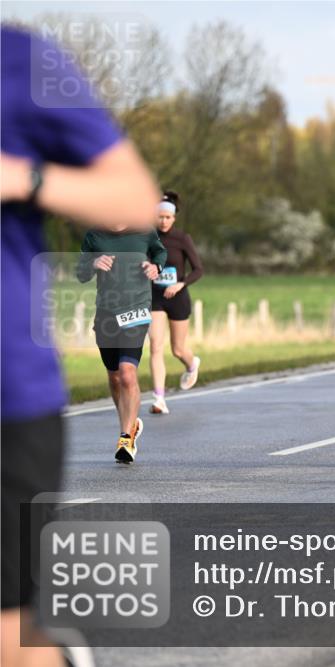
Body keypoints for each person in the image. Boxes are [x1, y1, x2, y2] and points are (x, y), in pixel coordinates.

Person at [2, 24, 160, 667]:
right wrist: (91, 268)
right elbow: (77, 270)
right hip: (103, 315)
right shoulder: (94, 247)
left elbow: (136, 197)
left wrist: (22, 178)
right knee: (119, 375)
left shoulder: (20, 59)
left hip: (7, 395)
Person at [77, 221, 166, 463]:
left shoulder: (144, 230)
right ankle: (130, 424)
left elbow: (160, 252)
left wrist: (156, 266)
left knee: (127, 373)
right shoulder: (94, 235)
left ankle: (125, 437)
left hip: (137, 309)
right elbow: (81, 273)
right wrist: (93, 263)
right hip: (106, 313)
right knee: (115, 376)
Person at [148, 191, 204, 414]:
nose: (163, 221)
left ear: (174, 218)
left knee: (178, 350)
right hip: (155, 298)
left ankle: (191, 364)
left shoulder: (182, 239)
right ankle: (159, 399)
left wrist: (181, 284)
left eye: (167, 217)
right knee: (155, 346)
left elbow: (198, 270)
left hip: (178, 298)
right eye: (160, 217)